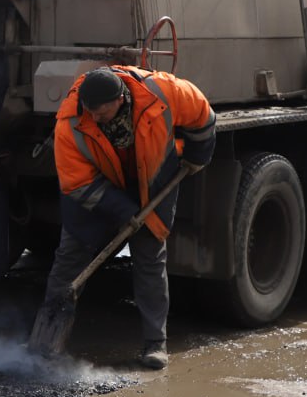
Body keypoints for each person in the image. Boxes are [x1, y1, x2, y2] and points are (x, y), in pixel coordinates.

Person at [38, 65, 215, 369]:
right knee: (69, 257)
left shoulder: (162, 92)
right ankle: (45, 342)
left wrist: (198, 156)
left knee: (149, 256)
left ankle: (155, 344)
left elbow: (203, 115)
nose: (95, 118)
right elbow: (77, 183)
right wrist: (126, 212)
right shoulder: (70, 122)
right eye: (90, 112)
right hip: (94, 187)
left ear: (120, 99)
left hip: (150, 180)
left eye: (102, 113)